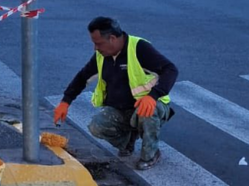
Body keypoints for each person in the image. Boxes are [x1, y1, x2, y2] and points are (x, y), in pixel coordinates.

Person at [53, 17, 178, 171]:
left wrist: (152, 96)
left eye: (98, 43)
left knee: (147, 113)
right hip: (120, 109)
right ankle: (128, 142)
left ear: (112, 38)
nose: (95, 48)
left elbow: (171, 70)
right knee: (96, 127)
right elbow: (82, 77)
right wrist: (65, 101)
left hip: (148, 105)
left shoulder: (138, 47)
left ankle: (151, 154)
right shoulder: (102, 55)